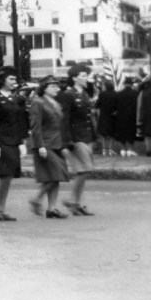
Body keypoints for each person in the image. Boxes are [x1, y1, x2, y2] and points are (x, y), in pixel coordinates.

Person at [0, 66, 29, 222]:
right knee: (5, 175)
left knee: (9, 176)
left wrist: (21, 141)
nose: (14, 82)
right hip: (1, 142)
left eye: (15, 80)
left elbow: (19, 121)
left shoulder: (15, 98)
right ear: (2, 80)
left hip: (13, 141)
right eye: (11, 79)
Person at [28, 75, 70, 218]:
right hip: (45, 144)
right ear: (44, 88)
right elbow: (36, 126)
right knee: (55, 174)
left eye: (57, 86)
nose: (56, 89)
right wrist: (40, 146)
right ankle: (36, 199)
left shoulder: (54, 103)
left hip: (56, 143)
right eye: (53, 86)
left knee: (56, 177)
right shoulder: (38, 103)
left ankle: (51, 208)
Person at [58, 64, 97, 216]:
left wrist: (93, 136)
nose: (85, 78)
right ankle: (72, 200)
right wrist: (67, 140)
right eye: (82, 75)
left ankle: (76, 202)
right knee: (85, 169)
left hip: (85, 135)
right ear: (74, 78)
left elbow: (89, 117)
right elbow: (65, 118)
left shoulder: (85, 94)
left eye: (86, 75)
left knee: (83, 171)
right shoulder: (68, 94)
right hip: (75, 137)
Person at [113, 78, 138, 156]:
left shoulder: (119, 94)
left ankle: (123, 149)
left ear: (124, 84)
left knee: (122, 132)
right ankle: (130, 149)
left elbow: (115, 106)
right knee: (131, 132)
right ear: (131, 84)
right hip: (132, 116)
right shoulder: (136, 93)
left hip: (121, 116)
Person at [95, 80, 117, 156]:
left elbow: (97, 104)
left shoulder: (102, 94)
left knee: (103, 134)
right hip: (112, 116)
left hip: (103, 115)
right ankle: (110, 150)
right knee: (111, 134)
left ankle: (104, 150)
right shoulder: (115, 94)